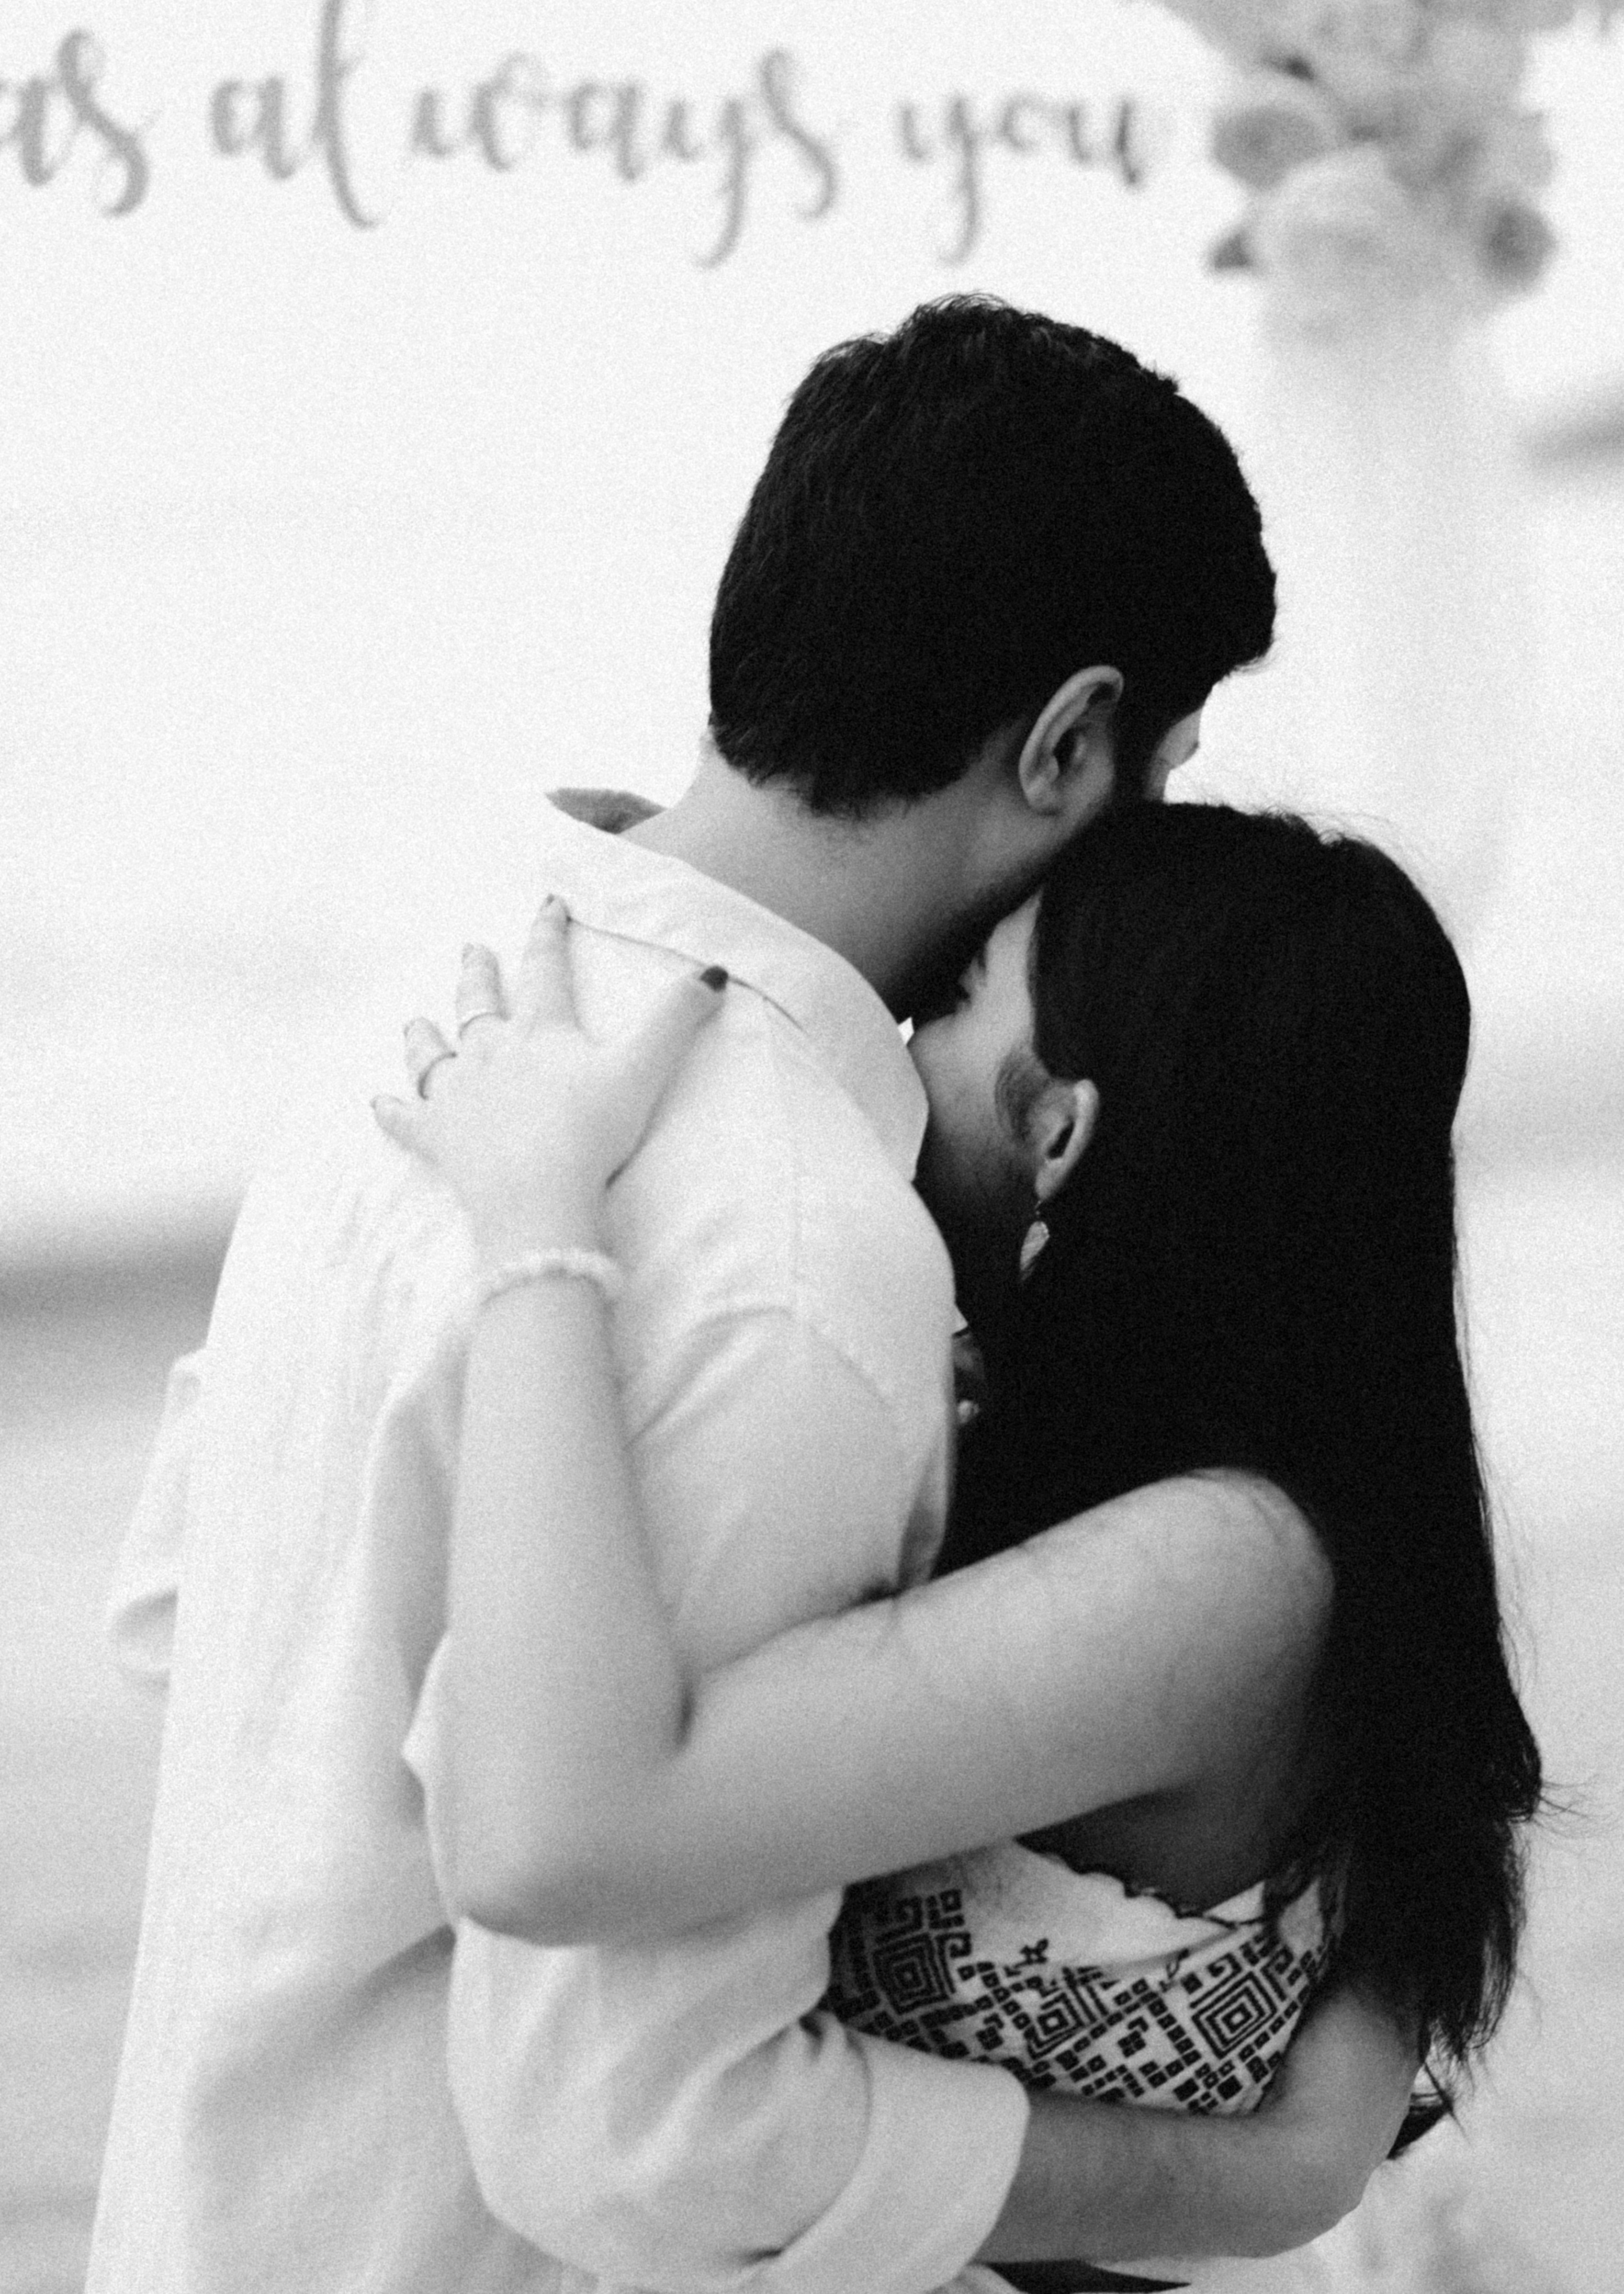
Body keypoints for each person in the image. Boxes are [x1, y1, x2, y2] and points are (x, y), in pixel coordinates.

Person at [91, 299, 1418, 2294]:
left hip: (212, 2211)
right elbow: (641, 2128)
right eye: (1166, 756)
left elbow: (187, 1613)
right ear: (1066, 741)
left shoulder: (436, 1001)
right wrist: (1230, 2185)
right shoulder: (801, 1254)